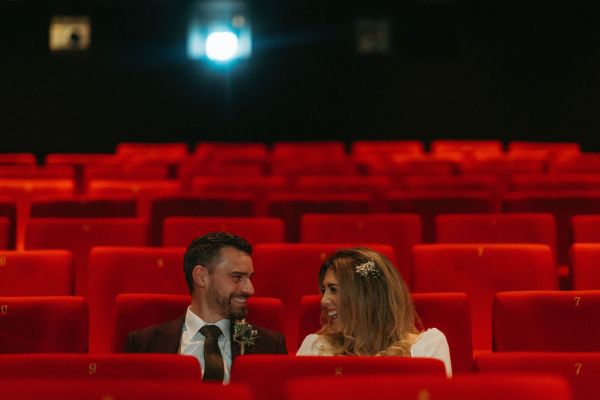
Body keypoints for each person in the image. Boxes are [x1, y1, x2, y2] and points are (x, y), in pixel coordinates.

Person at [127, 232, 287, 382]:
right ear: (201, 277)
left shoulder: (269, 345)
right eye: (237, 277)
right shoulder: (145, 344)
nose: (250, 289)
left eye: (250, 278)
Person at [296, 247, 452, 376]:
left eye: (333, 289)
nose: (323, 300)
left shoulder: (428, 347)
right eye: (324, 290)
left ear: (366, 296)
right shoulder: (315, 347)